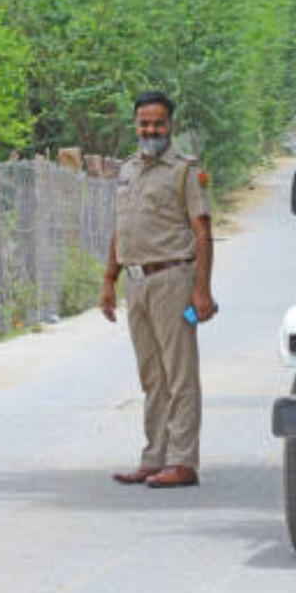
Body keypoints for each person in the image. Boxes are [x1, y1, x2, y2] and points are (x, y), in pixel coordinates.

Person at [101, 91, 216, 488]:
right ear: (136, 125)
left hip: (173, 279)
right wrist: (108, 280)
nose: (151, 130)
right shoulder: (128, 169)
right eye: (144, 123)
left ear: (170, 125)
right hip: (136, 282)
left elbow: (202, 231)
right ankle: (154, 457)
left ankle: (183, 461)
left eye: (158, 123)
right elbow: (122, 226)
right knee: (152, 376)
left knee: (179, 373)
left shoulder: (185, 171)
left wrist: (202, 290)